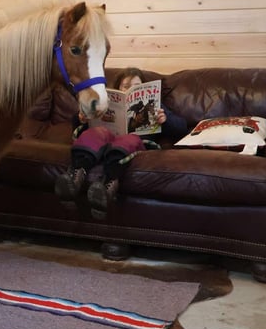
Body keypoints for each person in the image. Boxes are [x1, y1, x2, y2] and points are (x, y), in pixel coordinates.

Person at [54, 67, 188, 218]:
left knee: (128, 140)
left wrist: (165, 120)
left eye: (136, 86)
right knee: (96, 133)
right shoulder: (106, 102)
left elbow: (182, 128)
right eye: (126, 86)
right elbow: (80, 125)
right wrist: (82, 118)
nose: (131, 89)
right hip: (106, 137)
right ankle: (74, 177)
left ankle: (106, 187)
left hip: (133, 141)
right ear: (118, 88)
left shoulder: (155, 106)